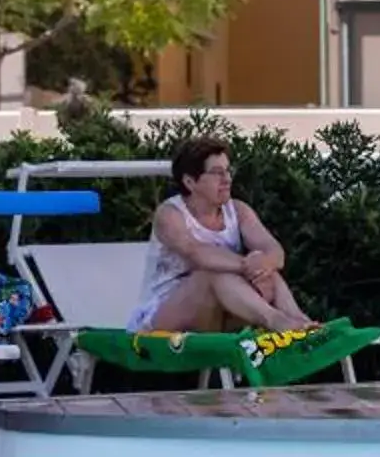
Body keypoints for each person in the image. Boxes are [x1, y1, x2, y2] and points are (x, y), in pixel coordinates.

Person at [131, 137, 312, 335]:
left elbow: (275, 252)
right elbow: (197, 253)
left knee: (267, 269)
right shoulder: (170, 214)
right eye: (217, 173)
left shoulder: (238, 210)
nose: (227, 179)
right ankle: (276, 321)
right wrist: (249, 266)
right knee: (212, 273)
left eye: (227, 171)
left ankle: (299, 320)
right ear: (190, 181)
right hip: (163, 317)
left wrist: (264, 263)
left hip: (218, 311)